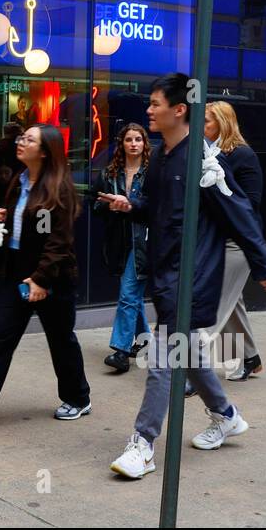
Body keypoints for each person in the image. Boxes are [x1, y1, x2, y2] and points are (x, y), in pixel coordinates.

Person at [103, 73, 266, 480]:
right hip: (165, 271)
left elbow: (242, 214)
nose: (148, 110)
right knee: (191, 356)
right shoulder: (163, 154)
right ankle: (227, 415)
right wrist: (130, 205)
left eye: (155, 103)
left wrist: (265, 266)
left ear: (179, 109)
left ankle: (143, 445)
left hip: (192, 276)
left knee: (162, 359)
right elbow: (159, 207)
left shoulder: (205, 162)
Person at [0, 124, 91, 428]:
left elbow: (56, 241)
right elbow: (32, 225)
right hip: (17, 273)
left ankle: (78, 398)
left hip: (51, 278)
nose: (21, 142)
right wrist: (6, 217)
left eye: (29, 140)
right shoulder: (20, 180)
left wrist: (41, 280)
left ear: (45, 151)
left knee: (61, 340)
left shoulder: (56, 188)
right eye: (22, 137)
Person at [203, 100, 265, 381]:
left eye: (206, 121)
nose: (201, 126)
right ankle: (248, 358)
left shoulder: (242, 155)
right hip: (216, 239)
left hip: (236, 242)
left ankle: (191, 371)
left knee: (214, 303)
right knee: (232, 304)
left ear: (222, 123)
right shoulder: (207, 153)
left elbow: (251, 203)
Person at [90, 122, 152, 374]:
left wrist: (132, 204)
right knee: (131, 295)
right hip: (119, 241)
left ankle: (121, 351)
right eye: (129, 139)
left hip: (144, 243)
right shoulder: (109, 173)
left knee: (128, 294)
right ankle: (145, 341)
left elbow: (156, 205)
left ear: (144, 143)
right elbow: (95, 203)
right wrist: (110, 206)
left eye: (138, 139)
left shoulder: (152, 173)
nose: (134, 144)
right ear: (122, 144)